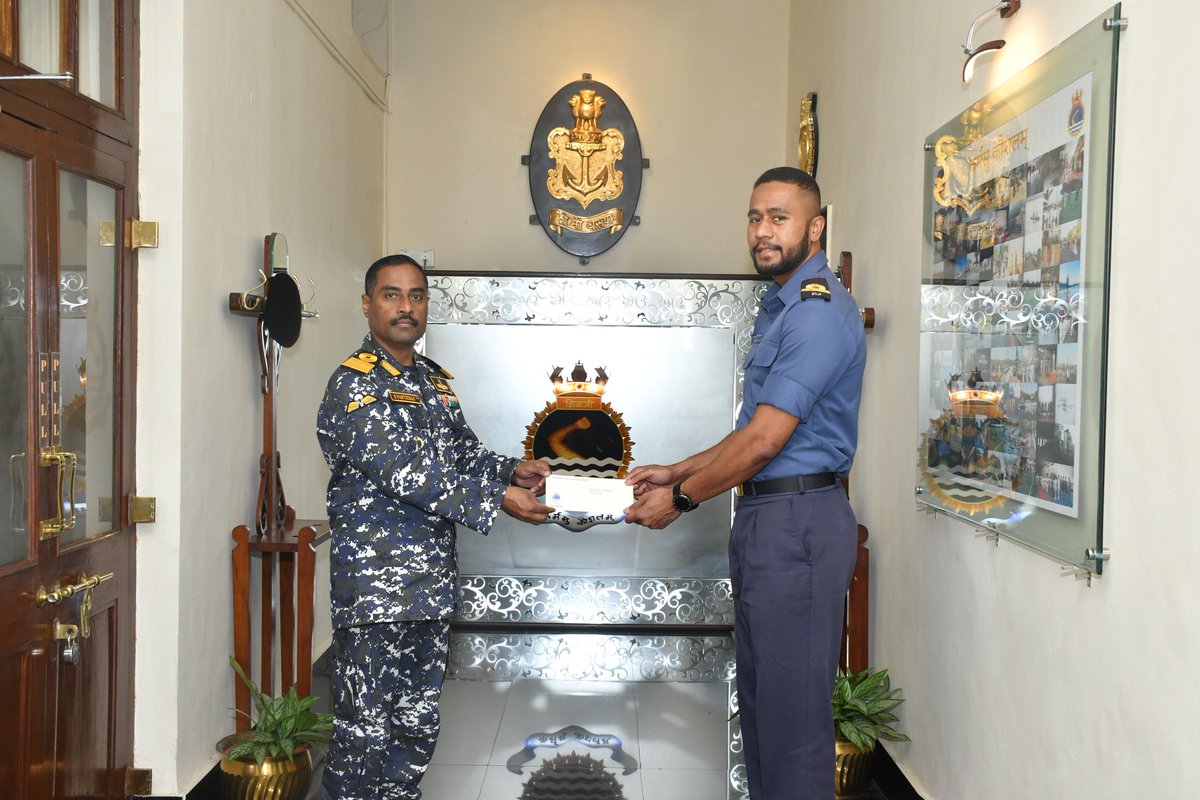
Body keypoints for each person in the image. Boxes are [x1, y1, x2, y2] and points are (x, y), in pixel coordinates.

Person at [624, 167, 866, 799]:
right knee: (761, 709)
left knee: (793, 724)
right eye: (755, 217)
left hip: (798, 525)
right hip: (769, 519)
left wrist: (679, 499)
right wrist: (680, 469)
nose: (762, 231)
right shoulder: (781, 304)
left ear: (815, 227)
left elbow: (764, 442)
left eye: (779, 218)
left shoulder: (815, 312)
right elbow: (750, 432)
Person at [316, 254, 553, 799]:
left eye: (417, 296)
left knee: (417, 724)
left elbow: (461, 453)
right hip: (377, 590)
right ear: (368, 303)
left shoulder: (432, 381)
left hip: (429, 585)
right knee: (364, 732)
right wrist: (499, 499)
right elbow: (405, 471)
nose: (406, 307)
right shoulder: (354, 386)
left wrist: (512, 469)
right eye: (392, 295)